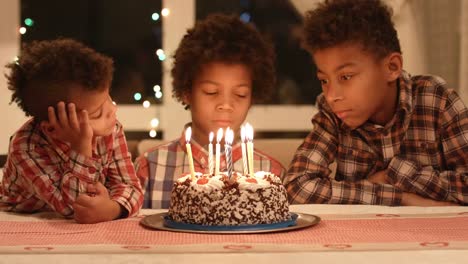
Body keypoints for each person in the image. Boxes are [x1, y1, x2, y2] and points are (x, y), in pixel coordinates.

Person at [284, 0, 468, 206]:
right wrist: (402, 198)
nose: (331, 96)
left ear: (392, 67)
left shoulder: (438, 101)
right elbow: (296, 187)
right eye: (324, 80)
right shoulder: (333, 115)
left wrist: (395, 173)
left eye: (346, 77)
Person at [134, 14, 285, 209]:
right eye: (211, 92)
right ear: (187, 92)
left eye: (240, 94)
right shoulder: (151, 167)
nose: (226, 104)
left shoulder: (270, 173)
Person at [0, 38, 143, 223]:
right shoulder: (26, 147)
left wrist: (112, 209)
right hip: (17, 221)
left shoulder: (111, 130)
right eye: (97, 112)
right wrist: (81, 146)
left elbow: (131, 187)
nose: (112, 111)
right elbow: (71, 208)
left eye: (109, 99)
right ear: (52, 128)